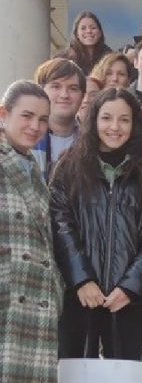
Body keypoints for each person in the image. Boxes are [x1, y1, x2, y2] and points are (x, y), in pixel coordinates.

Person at [50, 88, 142, 360]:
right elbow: (60, 225)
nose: (114, 127)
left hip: (128, 302)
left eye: (124, 120)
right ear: (93, 121)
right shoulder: (69, 168)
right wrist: (82, 280)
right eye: (106, 118)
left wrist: (130, 286)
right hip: (79, 299)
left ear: (135, 124)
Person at [0, 81, 63, 383]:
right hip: (9, 303)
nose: (35, 126)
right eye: (27, 116)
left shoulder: (31, 167)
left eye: (42, 119)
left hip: (33, 306)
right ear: (3, 114)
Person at [32, 58, 86, 180]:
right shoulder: (23, 138)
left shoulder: (92, 142)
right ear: (41, 91)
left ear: (82, 97)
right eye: (56, 86)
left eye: (73, 88)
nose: (64, 95)